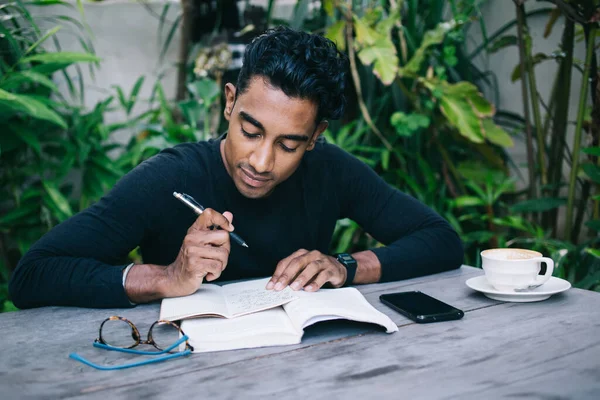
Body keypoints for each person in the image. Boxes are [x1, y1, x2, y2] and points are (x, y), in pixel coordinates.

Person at [9, 26, 464, 309]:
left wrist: (344, 265)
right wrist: (166, 277)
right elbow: (33, 275)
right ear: (230, 103)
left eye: (289, 144)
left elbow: (441, 241)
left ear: (315, 136)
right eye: (251, 131)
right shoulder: (171, 178)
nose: (261, 163)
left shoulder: (330, 170)